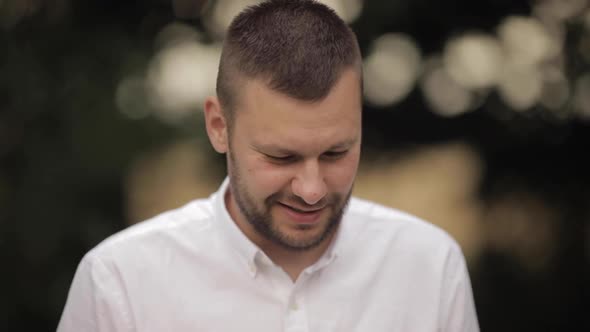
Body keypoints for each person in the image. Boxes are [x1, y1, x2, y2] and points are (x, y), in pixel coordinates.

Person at [57, 0, 479, 331]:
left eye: (336, 153)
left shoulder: (430, 267)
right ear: (219, 126)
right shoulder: (120, 283)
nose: (312, 189)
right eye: (281, 157)